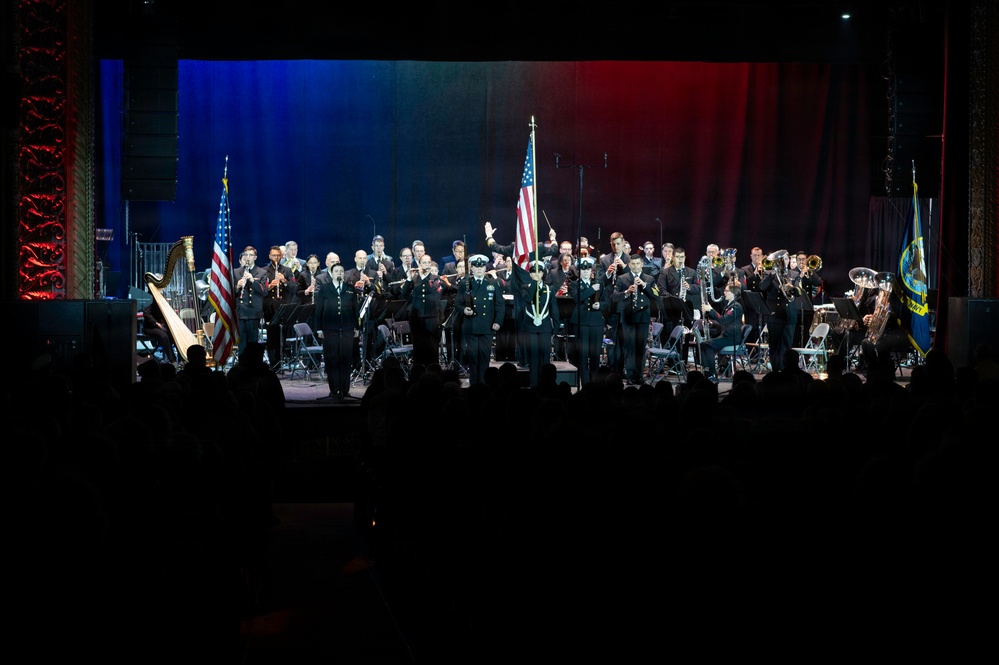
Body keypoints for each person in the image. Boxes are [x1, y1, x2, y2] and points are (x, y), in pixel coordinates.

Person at [314, 261, 359, 400]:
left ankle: (345, 390)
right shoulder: (325, 289)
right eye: (336, 271)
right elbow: (319, 310)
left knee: (346, 358)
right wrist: (319, 328)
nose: (339, 273)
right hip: (330, 328)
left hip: (347, 328)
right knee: (332, 358)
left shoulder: (350, 288)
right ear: (331, 274)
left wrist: (357, 327)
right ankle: (334, 390)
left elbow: (355, 310)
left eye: (341, 271)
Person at [456, 254, 503, 385]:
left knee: (484, 357)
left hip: (487, 326)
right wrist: (464, 310)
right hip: (471, 325)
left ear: (485, 268)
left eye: (481, 266)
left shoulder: (492, 283)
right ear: (471, 268)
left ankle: (484, 384)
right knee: (472, 358)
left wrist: (498, 321)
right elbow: (458, 303)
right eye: (476, 267)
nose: (479, 269)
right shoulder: (465, 283)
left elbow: (499, 304)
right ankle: (474, 385)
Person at [613, 255, 657, 384]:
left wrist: (644, 285)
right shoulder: (622, 278)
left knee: (640, 348)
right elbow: (614, 297)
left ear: (641, 264)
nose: (636, 266)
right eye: (633, 264)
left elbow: (657, 296)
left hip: (643, 317)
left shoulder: (649, 279)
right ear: (630, 265)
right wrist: (626, 292)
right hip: (628, 318)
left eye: (638, 264)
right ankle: (631, 376)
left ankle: (639, 376)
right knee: (630, 348)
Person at [519, 259, 559, 388]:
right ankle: (534, 385)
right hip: (530, 327)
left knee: (544, 357)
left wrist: (556, 327)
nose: (537, 274)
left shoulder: (550, 289)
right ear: (530, 274)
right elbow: (527, 298)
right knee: (533, 357)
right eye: (533, 272)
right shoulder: (525, 287)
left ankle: (545, 385)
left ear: (543, 273)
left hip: (545, 326)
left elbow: (554, 309)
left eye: (539, 272)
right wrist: (534, 285)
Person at [568, 257, 606, 386]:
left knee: (595, 355)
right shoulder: (574, 284)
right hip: (582, 322)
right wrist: (592, 289)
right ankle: (585, 383)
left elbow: (607, 302)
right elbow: (578, 297)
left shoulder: (599, 284)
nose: (585, 272)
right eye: (583, 269)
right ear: (579, 271)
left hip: (596, 322)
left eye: (588, 269)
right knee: (583, 355)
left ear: (591, 270)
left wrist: (599, 305)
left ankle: (594, 383)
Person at [401, 252, 444, 368]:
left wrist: (424, 278)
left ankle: (433, 371)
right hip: (417, 318)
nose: (426, 265)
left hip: (431, 317)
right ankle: (418, 372)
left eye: (428, 262)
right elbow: (404, 294)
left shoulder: (436, 279)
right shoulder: (415, 279)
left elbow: (435, 295)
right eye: (424, 262)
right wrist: (409, 279)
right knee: (419, 347)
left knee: (432, 347)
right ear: (419, 264)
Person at [697, 283, 744, 381]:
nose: (724, 292)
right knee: (704, 344)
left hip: (732, 338)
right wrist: (712, 324)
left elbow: (723, 320)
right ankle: (707, 370)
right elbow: (724, 324)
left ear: (733, 293)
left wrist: (711, 310)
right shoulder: (730, 305)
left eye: (727, 291)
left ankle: (711, 373)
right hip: (727, 336)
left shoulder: (736, 307)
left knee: (707, 345)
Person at [759, 252, 797, 372]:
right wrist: (771, 275)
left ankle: (786, 370)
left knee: (786, 345)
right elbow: (762, 287)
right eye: (781, 259)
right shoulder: (768, 274)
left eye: (785, 259)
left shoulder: (794, 274)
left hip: (788, 315)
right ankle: (775, 370)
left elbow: (799, 292)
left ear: (789, 260)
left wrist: (792, 288)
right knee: (774, 346)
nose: (783, 261)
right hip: (774, 315)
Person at [263, 245, 298, 370]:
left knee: (284, 336)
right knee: (272, 336)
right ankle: (274, 363)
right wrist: (270, 287)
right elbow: (261, 290)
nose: (276, 257)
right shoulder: (264, 271)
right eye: (274, 255)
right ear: (269, 256)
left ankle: (284, 360)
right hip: (270, 308)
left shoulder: (287, 270)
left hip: (283, 307)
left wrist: (284, 281)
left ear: (282, 256)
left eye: (278, 255)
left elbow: (294, 288)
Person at [234, 246, 268, 356]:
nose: (248, 257)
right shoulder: (236, 272)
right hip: (240, 311)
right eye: (246, 255)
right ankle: (242, 366)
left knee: (253, 342)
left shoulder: (261, 272)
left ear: (255, 257)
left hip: (253, 312)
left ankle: (254, 366)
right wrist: (237, 287)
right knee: (242, 342)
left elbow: (264, 291)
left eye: (250, 255)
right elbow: (230, 293)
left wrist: (253, 281)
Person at [142, 298, 177, 364]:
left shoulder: (161, 298)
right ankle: (173, 360)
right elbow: (147, 314)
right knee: (164, 336)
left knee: (175, 335)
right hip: (150, 327)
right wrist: (156, 323)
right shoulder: (149, 298)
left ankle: (181, 359)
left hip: (162, 326)